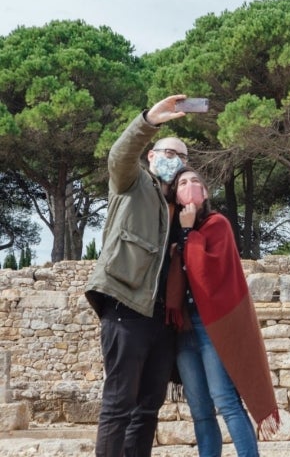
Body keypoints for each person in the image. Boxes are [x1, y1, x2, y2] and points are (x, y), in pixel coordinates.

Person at [84, 94, 191, 457]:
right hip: (125, 308)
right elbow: (118, 155)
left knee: (148, 409)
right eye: (169, 152)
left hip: (160, 320)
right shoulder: (132, 183)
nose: (175, 160)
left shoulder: (178, 208)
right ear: (151, 155)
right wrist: (149, 121)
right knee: (118, 406)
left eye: (182, 156)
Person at [168, 167, 278, 457]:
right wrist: (181, 234)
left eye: (195, 182)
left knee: (226, 400)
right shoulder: (170, 229)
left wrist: (190, 232)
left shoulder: (217, 224)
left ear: (205, 193)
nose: (189, 186)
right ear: (175, 193)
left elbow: (206, 271)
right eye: (182, 182)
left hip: (211, 326)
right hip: (184, 328)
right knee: (200, 409)